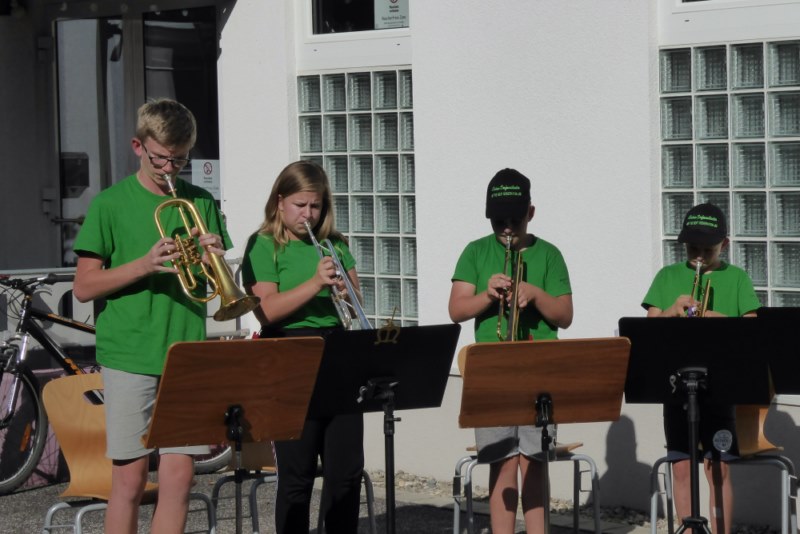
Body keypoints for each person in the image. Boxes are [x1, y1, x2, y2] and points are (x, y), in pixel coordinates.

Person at [72, 98, 231, 534]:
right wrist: (143, 265)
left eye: (180, 159)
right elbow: (83, 286)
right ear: (138, 147)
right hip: (130, 352)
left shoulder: (200, 200)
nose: (169, 169)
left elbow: (215, 283)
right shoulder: (110, 204)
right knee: (130, 480)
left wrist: (213, 258)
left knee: (179, 480)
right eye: (161, 158)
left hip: (186, 352)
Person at [241, 160, 365, 534]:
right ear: (280, 202)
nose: (308, 215)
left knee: (346, 474)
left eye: (315, 206)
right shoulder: (264, 244)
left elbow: (357, 303)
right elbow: (266, 311)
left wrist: (344, 290)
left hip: (338, 355)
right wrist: (315, 284)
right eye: (300, 205)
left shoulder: (334, 244)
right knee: (297, 476)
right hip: (288, 354)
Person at [448, 168, 573, 534]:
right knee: (501, 464)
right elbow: (456, 310)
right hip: (493, 371)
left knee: (534, 464)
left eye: (514, 221)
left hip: (540, 371)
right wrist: (487, 295)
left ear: (530, 213)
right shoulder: (475, 252)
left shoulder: (549, 254)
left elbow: (565, 315)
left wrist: (535, 294)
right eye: (498, 221)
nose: (506, 229)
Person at [642, 202, 760, 534]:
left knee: (718, 467)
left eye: (708, 250)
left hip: (720, 389)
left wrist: (715, 319)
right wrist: (671, 311)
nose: (699, 256)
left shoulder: (736, 278)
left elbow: (753, 331)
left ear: (725, 244)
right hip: (677, 387)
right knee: (681, 467)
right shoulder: (667, 277)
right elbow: (648, 332)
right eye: (693, 248)